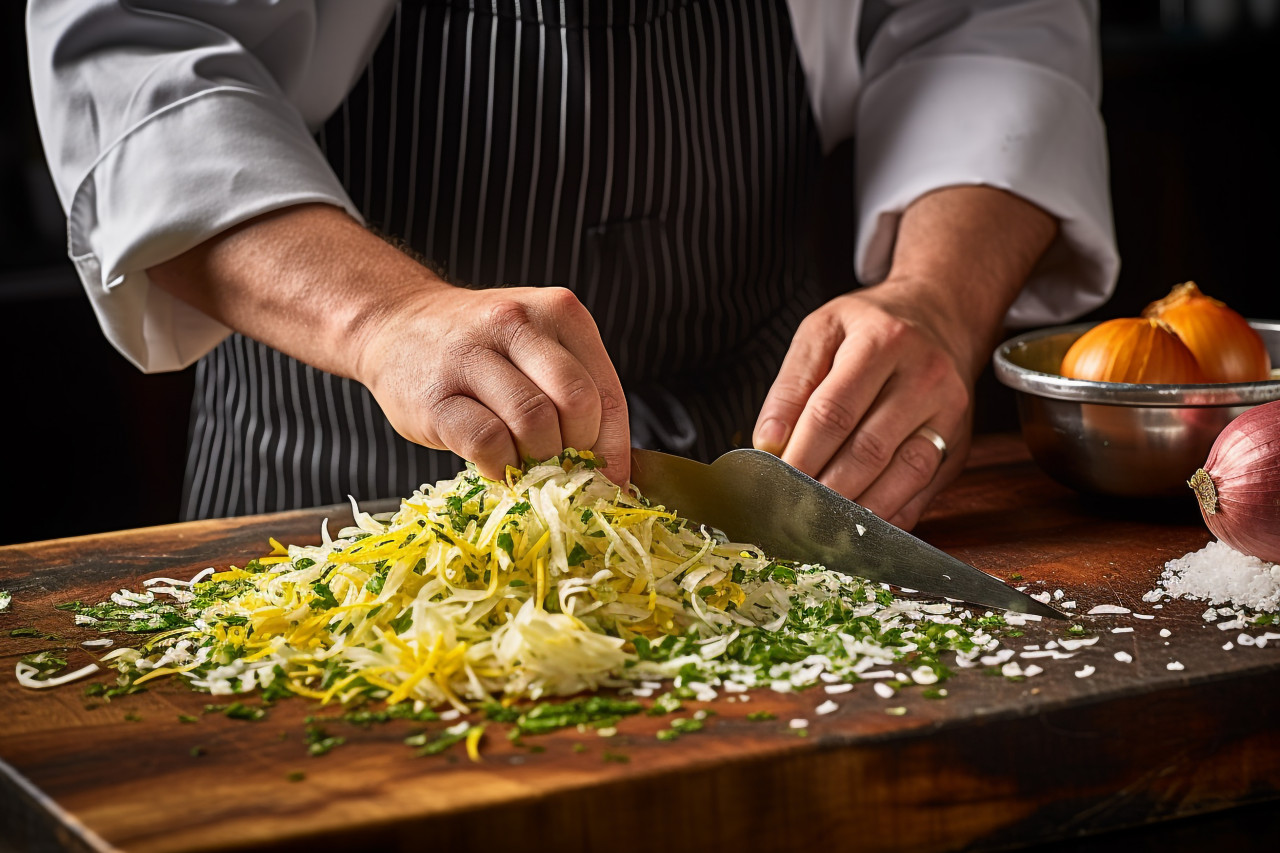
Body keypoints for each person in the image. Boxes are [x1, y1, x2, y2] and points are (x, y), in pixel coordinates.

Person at [27, 0, 1117, 530]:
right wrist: (381, 319)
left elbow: (988, 19)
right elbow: (135, 45)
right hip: (323, 480)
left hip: (759, 495)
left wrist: (931, 293)